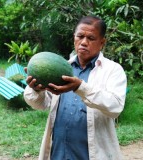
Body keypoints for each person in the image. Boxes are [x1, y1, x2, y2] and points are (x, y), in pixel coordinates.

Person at [23, 15, 127, 160]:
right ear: (74, 38)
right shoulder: (60, 69)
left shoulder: (113, 70)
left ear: (102, 42)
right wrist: (36, 90)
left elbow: (115, 107)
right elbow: (41, 104)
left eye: (91, 38)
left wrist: (80, 87)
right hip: (58, 153)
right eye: (80, 36)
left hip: (91, 155)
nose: (84, 42)